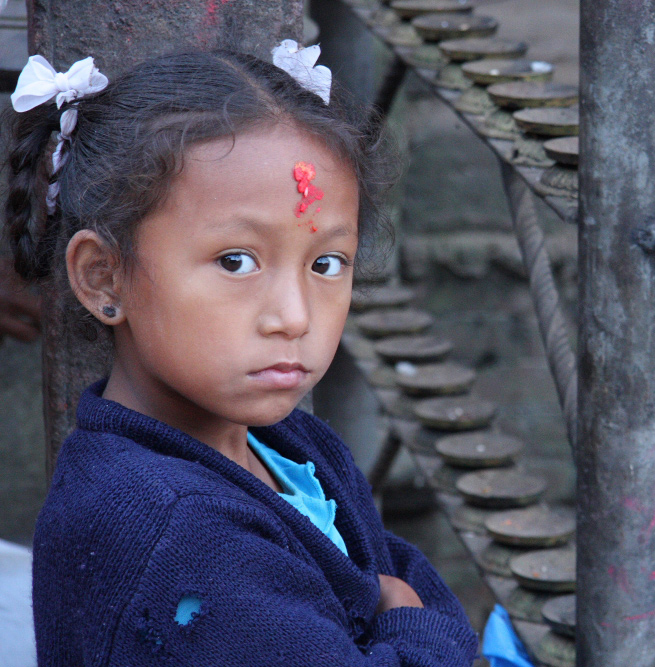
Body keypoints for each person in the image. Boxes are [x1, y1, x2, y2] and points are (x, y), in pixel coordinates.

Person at [4, 42, 478, 666]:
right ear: (103, 277)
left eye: (327, 264)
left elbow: (402, 576)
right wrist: (412, 628)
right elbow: (411, 601)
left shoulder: (292, 448)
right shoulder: (173, 536)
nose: (295, 316)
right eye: (236, 262)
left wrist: (402, 616)